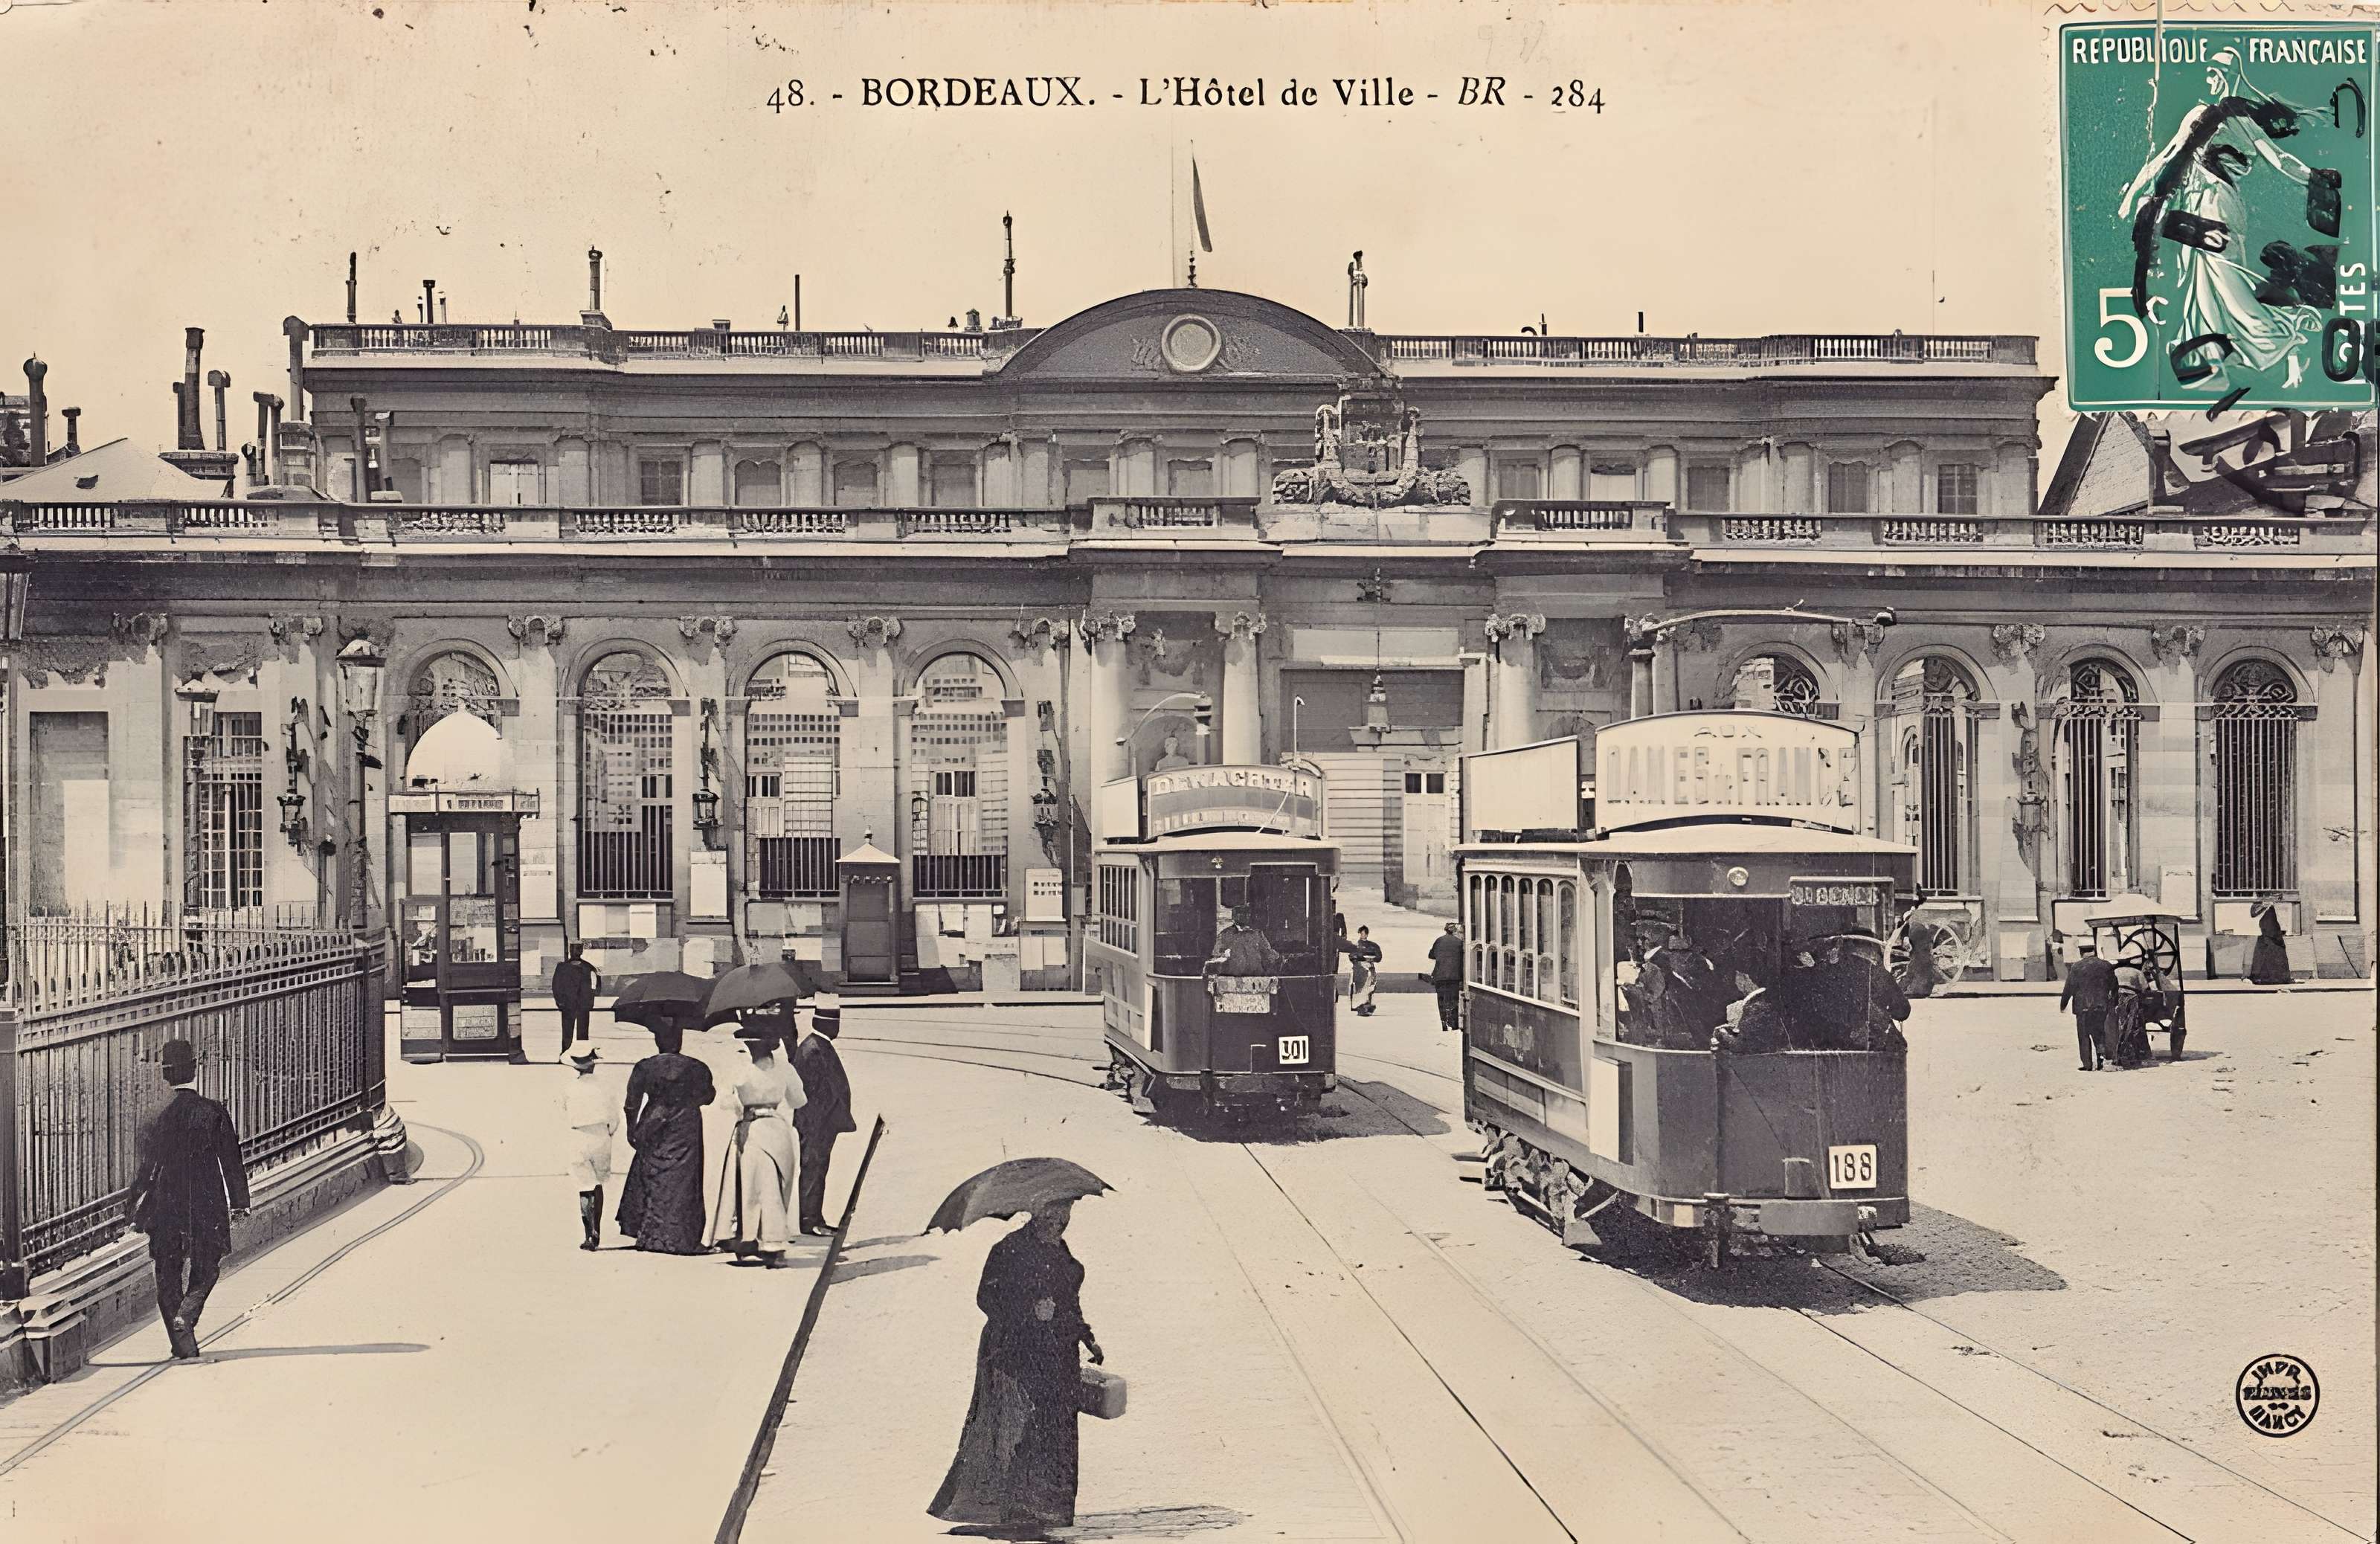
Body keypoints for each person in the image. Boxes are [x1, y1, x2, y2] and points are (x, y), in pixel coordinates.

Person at [930, 1200, 1104, 1537]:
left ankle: (1049, 1507)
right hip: (1016, 1353)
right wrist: (1029, 1309)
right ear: (1036, 1211)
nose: (1060, 1220)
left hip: (1058, 1352)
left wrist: (1087, 1337)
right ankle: (1019, 1509)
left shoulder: (1061, 1251)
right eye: (1052, 1213)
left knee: (1057, 1428)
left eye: (1065, 1212)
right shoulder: (1009, 1250)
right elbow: (986, 1298)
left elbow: (1070, 1302)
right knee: (1021, 1428)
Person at [125, 1039, 251, 1361]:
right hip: (206, 1202)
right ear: (195, 1068)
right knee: (208, 1266)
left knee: (167, 1273)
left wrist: (132, 1206)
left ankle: (183, 1344)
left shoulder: (155, 1116)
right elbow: (231, 1161)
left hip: (166, 1203)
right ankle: (188, 1312)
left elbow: (145, 1168)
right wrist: (240, 1202)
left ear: (165, 1074)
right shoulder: (212, 1111)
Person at [710, 1024, 806, 1265]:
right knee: (775, 1187)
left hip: (751, 1129)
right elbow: (798, 1100)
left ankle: (748, 1240)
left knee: (749, 1186)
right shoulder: (785, 1069)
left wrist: (740, 1102)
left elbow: (725, 1102)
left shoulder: (741, 1070)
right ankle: (773, 1242)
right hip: (777, 1129)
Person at [616, 1023, 715, 1253]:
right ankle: (681, 1237)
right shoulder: (696, 1067)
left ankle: (649, 1233)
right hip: (686, 1124)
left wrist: (632, 1130)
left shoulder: (645, 1067)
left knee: (652, 1175)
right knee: (684, 1180)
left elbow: (631, 1103)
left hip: (654, 1120)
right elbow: (708, 1097)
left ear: (657, 1042)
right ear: (679, 1041)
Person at [791, 997, 855, 1238]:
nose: (837, 1028)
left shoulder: (817, 1045)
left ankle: (814, 1218)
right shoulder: (814, 1049)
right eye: (834, 1023)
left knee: (817, 1170)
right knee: (813, 1170)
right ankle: (810, 1221)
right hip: (816, 1124)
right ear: (824, 1024)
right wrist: (829, 1120)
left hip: (819, 1123)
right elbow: (818, 1092)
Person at [564, 1041, 616, 1250]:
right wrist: (608, 1132)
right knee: (598, 1184)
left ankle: (588, 1234)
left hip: (579, 1135)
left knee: (584, 1186)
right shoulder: (605, 1087)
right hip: (601, 1135)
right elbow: (614, 1116)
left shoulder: (570, 1088)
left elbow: (564, 1112)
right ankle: (597, 1231)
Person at [2059, 941, 2119, 1072]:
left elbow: (2069, 987)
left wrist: (2063, 1004)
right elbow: (2114, 985)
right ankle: (2101, 1060)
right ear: (2094, 951)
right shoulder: (2106, 966)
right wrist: (2113, 1002)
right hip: (2101, 1006)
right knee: (2100, 1033)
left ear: (2081, 952)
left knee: (2084, 1035)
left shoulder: (2077, 967)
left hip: (2082, 1007)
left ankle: (2087, 1064)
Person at [551, 941, 599, 1061]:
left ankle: (582, 1054)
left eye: (579, 948)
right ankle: (566, 1053)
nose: (577, 951)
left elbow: (596, 985)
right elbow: (556, 986)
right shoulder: (563, 967)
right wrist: (560, 1001)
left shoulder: (588, 967)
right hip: (568, 1004)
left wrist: (590, 999)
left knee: (582, 1032)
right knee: (567, 1032)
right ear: (570, 950)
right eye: (575, 948)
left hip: (582, 1004)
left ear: (582, 950)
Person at [1206, 903, 1283, 977]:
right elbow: (1216, 958)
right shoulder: (1225, 935)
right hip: (1234, 980)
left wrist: (1279, 958)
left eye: (1247, 913)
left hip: (1256, 979)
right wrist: (1224, 957)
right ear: (1234, 916)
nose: (1246, 916)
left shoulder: (1257, 934)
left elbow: (1268, 954)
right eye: (1242, 913)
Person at [2108, 954, 2152, 1069]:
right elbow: (2146, 989)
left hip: (2118, 998)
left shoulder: (2115, 971)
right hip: (2132, 997)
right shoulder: (2136, 972)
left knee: (2121, 1025)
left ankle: (2118, 1054)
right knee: (2132, 1024)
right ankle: (2131, 1054)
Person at [1425, 920, 1464, 1033]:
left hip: (1440, 975)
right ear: (1456, 931)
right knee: (1454, 999)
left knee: (1441, 999)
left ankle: (1443, 1021)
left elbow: (1431, 955)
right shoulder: (1460, 943)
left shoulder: (1439, 940)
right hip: (1454, 976)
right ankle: (1453, 1022)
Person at [2250, 895, 2293, 985]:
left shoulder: (2274, 908)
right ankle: (2267, 978)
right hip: (2268, 936)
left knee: (2276, 956)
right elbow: (2253, 913)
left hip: (2274, 936)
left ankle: (2279, 978)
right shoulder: (2261, 904)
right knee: (2267, 958)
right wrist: (2264, 905)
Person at [1342, 924, 1383, 1016]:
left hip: (1369, 968)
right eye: (1361, 934)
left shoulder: (1373, 946)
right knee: (1358, 987)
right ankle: (1358, 1005)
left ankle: (1366, 1004)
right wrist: (1359, 959)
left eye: (1364, 934)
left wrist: (1370, 959)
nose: (1362, 936)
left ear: (1367, 934)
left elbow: (1379, 957)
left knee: (1370, 985)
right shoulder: (1356, 945)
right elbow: (1352, 956)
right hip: (1359, 968)